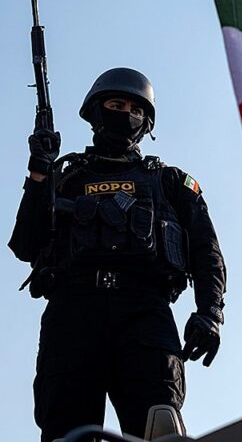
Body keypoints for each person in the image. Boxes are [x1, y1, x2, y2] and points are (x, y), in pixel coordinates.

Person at [8, 68, 227, 442]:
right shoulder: (66, 177)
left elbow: (207, 251)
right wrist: (39, 173)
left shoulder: (171, 182)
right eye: (116, 104)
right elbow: (26, 245)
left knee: (159, 427)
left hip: (145, 314)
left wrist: (210, 312)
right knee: (67, 431)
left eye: (135, 109)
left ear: (146, 123)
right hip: (73, 315)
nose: (126, 114)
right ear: (97, 112)